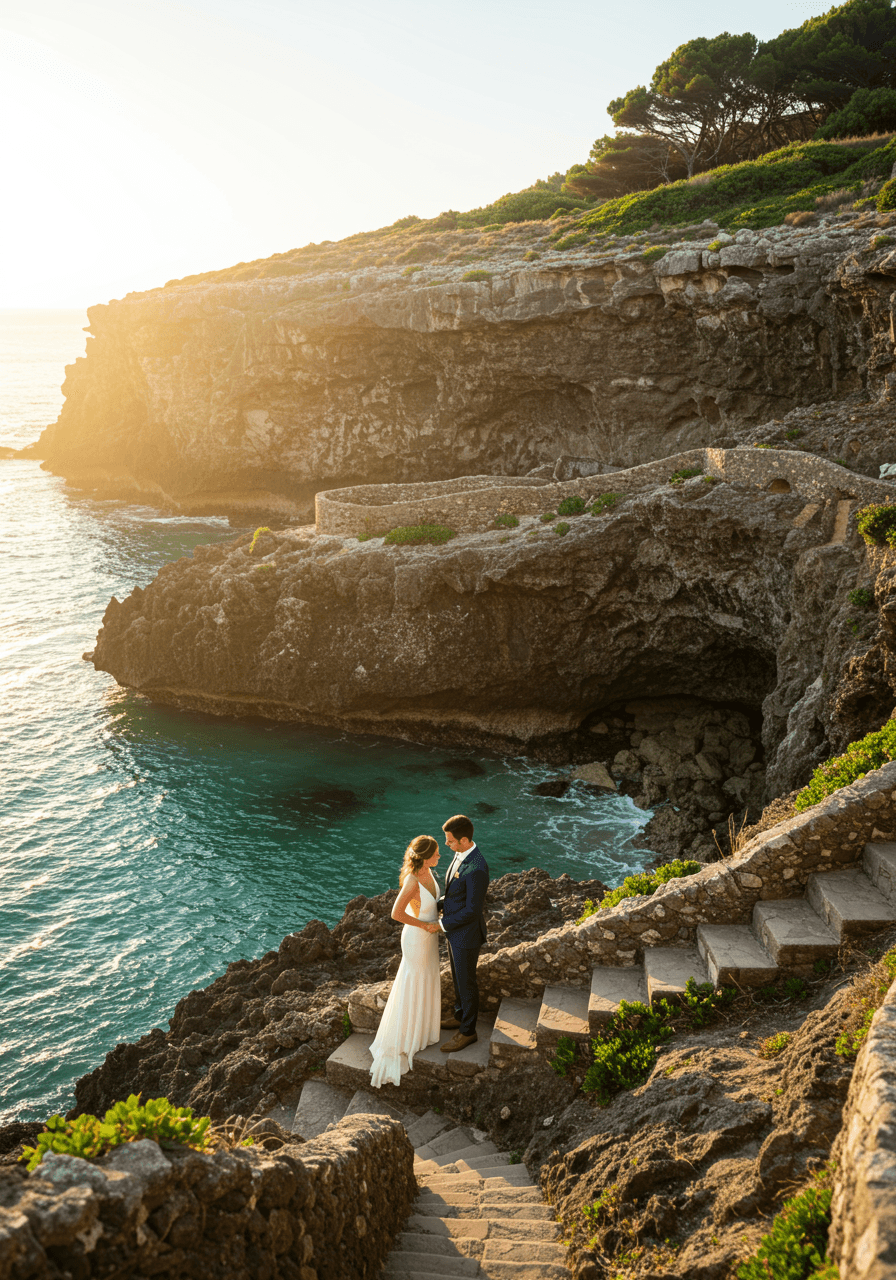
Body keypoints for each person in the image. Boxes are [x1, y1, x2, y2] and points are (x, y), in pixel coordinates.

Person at [368, 834, 442, 1089]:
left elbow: (430, 904)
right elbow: (396, 913)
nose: (439, 856)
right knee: (414, 982)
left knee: (427, 978)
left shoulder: (428, 872)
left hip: (430, 937)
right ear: (425, 856)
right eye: (436, 853)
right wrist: (425, 925)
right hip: (416, 939)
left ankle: (422, 1033)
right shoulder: (412, 880)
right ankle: (407, 1038)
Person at [437, 814, 490, 1053]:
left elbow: (472, 910)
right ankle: (459, 1016)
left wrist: (441, 924)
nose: (446, 845)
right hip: (454, 933)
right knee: (457, 979)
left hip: (466, 935)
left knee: (467, 983)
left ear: (465, 839)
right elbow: (454, 894)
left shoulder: (477, 867)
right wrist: (436, 904)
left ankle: (468, 1032)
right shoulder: (460, 855)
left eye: (450, 841)